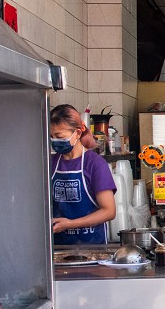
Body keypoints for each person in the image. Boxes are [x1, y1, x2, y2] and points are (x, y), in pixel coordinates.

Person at [49, 103, 117, 245]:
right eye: (51, 136)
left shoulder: (95, 164)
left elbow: (109, 211)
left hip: (92, 248)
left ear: (78, 133)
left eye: (60, 136)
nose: (55, 141)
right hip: (57, 249)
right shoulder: (51, 163)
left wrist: (70, 224)